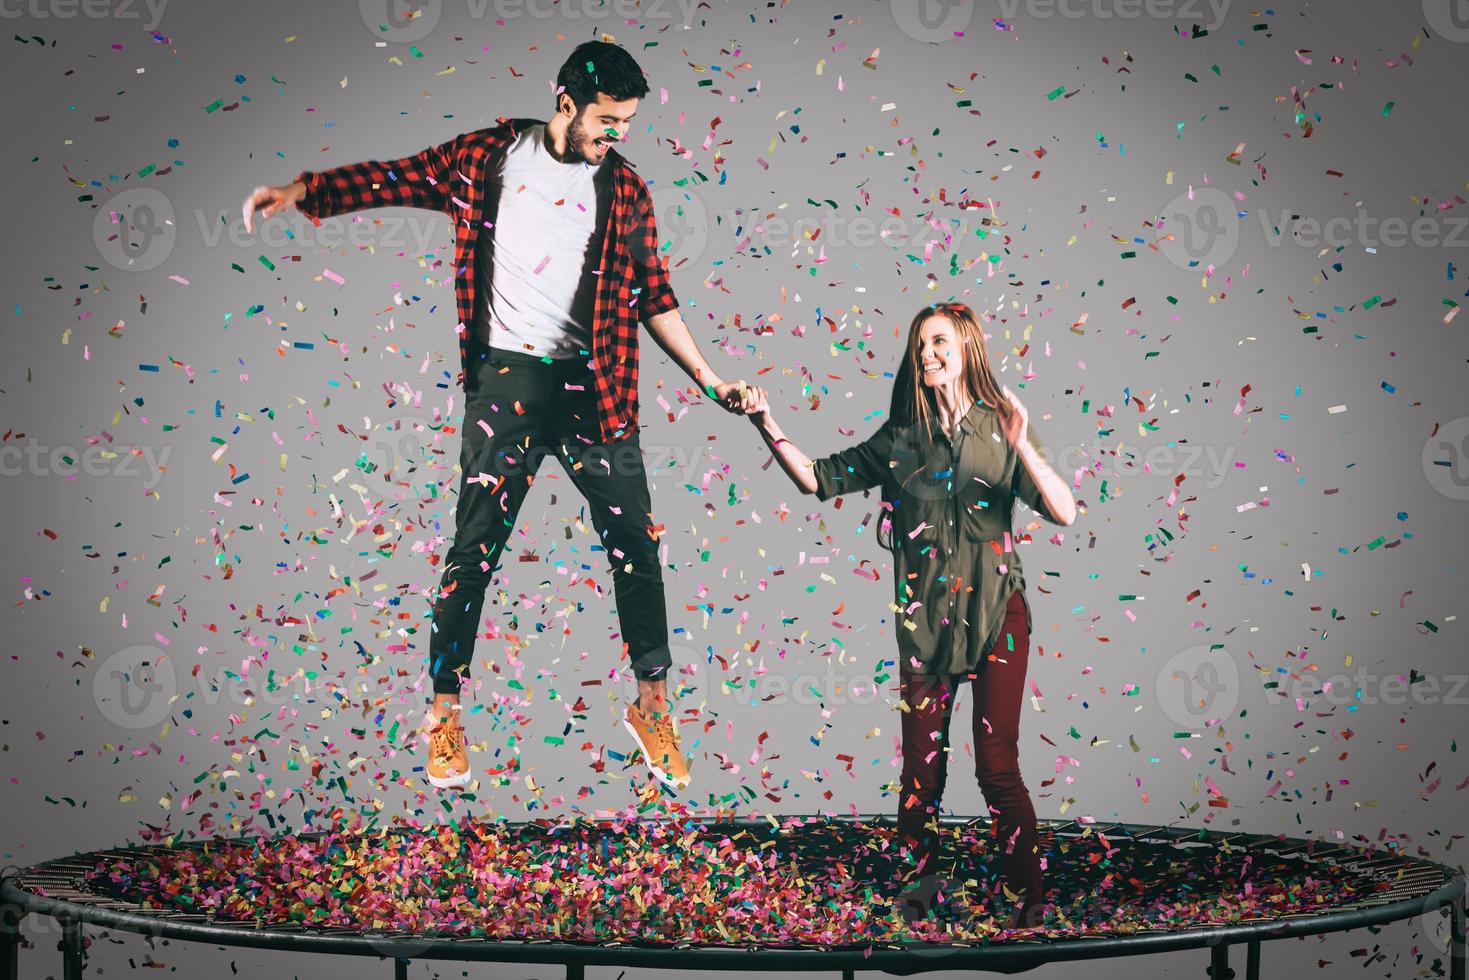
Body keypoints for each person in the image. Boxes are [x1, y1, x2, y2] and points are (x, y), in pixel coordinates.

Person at [241, 40, 761, 793]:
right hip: (506, 385)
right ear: (566, 103)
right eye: (605, 121)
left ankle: (651, 708)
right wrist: (303, 190)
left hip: (596, 388)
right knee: (474, 547)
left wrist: (712, 380)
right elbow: (395, 176)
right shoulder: (484, 157)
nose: (614, 135)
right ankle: (443, 716)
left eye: (624, 124)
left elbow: (654, 293)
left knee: (637, 549)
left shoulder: (624, 190)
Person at [744, 302, 1077, 927]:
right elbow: (817, 479)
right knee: (921, 774)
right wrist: (766, 422)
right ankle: (918, 895)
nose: (927, 353)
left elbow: (1064, 510)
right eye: (920, 344)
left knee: (997, 766)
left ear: (968, 349)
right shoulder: (899, 440)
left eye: (939, 342)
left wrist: (1021, 443)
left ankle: (1026, 901)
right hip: (925, 630)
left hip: (999, 617)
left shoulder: (1001, 427)